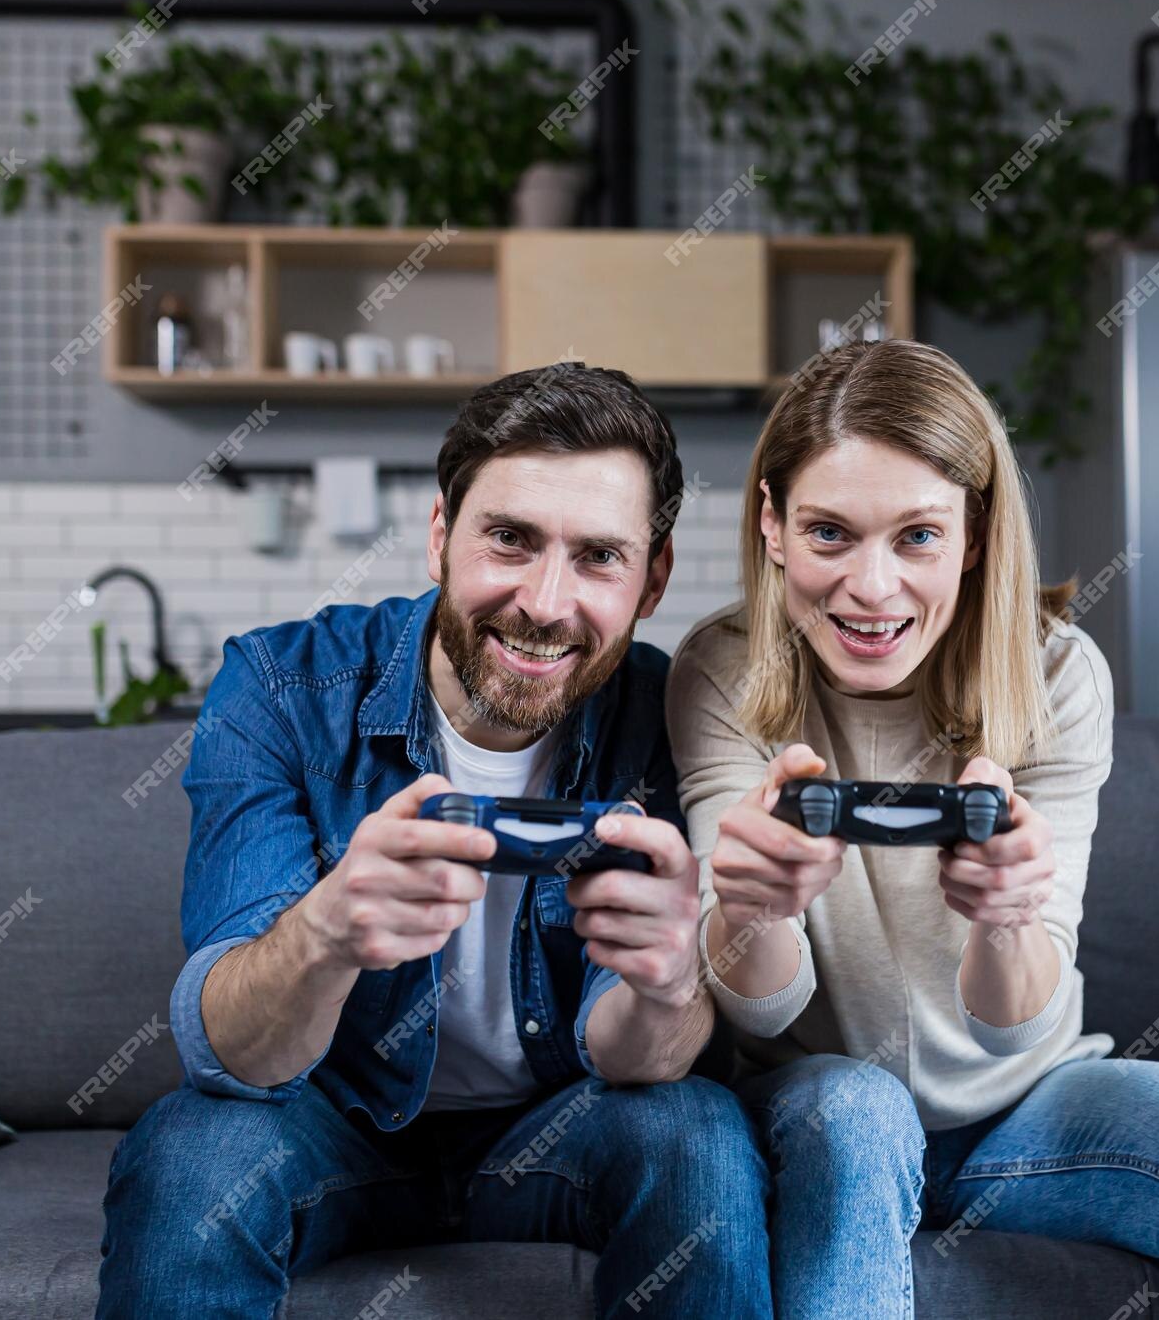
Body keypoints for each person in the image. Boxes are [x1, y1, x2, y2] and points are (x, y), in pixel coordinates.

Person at [668, 339, 1159, 1319]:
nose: (870, 587)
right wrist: (754, 903)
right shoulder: (719, 671)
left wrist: (1004, 913)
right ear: (771, 527)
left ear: (975, 534)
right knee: (855, 1112)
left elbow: (1013, 1019)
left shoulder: (1056, 675)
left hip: (1023, 1109)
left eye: (915, 537)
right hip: (824, 1105)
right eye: (828, 534)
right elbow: (757, 1012)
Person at [99, 364, 770, 1320]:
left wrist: (671, 986)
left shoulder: (675, 715)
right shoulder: (279, 689)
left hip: (563, 1127)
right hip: (328, 1124)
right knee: (189, 1145)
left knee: (698, 1132)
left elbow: (649, 1061)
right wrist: (328, 931)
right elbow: (231, 1054)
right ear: (441, 536)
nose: (544, 601)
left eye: (598, 558)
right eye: (510, 539)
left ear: (652, 579)